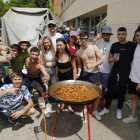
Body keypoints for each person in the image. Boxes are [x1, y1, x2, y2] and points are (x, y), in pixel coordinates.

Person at [99, 27, 137, 120]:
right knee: (110, 91)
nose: (121, 36)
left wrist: (134, 42)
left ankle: (119, 109)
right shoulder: (114, 45)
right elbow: (109, 58)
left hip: (125, 72)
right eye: (119, 34)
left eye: (122, 34)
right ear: (117, 35)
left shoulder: (132, 45)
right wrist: (111, 59)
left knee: (122, 92)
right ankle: (107, 108)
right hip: (114, 71)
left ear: (126, 34)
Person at [75, 31, 104, 120]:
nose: (83, 40)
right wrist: (79, 73)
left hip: (95, 73)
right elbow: (79, 65)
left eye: (85, 38)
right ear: (79, 39)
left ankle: (95, 110)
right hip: (86, 74)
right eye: (81, 38)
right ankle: (84, 109)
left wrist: (92, 65)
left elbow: (101, 60)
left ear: (88, 39)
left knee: (98, 94)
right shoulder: (78, 53)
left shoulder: (94, 47)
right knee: (84, 93)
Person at [92, 26, 114, 108]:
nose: (105, 36)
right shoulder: (98, 41)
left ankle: (101, 101)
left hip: (106, 69)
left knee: (103, 88)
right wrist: (95, 38)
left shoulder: (113, 44)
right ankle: (93, 102)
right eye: (104, 34)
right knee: (94, 86)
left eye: (107, 34)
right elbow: (89, 46)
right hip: (96, 69)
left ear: (110, 35)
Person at [122, 28, 140, 123]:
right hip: (133, 78)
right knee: (133, 97)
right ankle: (133, 116)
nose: (139, 37)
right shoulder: (136, 46)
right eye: (137, 35)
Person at [55, 38, 77, 114]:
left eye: (60, 45)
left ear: (65, 45)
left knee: (69, 91)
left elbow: (74, 68)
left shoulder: (70, 55)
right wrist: (56, 74)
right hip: (60, 75)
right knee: (61, 91)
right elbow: (57, 65)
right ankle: (62, 105)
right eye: (57, 45)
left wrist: (74, 80)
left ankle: (69, 105)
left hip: (68, 75)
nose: (59, 47)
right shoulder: (57, 54)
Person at [40, 36, 57, 117]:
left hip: (54, 69)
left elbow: (58, 62)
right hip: (45, 70)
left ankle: (55, 101)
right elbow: (41, 64)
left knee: (55, 86)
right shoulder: (42, 52)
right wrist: (45, 74)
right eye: (45, 43)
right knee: (46, 88)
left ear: (50, 42)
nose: (47, 44)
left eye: (48, 42)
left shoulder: (55, 51)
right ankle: (47, 106)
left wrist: (56, 73)